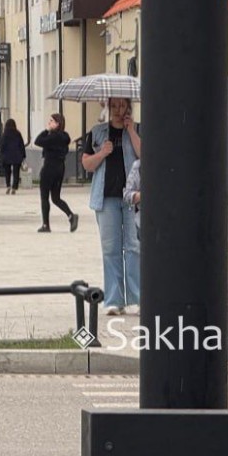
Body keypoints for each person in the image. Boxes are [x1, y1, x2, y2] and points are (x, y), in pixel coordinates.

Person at [81, 97, 141, 315]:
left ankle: (136, 297)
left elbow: (145, 155)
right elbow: (87, 164)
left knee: (133, 247)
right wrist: (102, 153)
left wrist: (132, 131)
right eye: (114, 106)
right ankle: (114, 299)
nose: (118, 110)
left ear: (128, 107)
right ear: (107, 107)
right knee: (110, 249)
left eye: (122, 105)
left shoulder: (137, 130)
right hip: (105, 197)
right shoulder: (97, 132)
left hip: (131, 198)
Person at [34, 113, 77, 233]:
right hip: (60, 168)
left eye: (51, 121)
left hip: (49, 167)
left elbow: (38, 141)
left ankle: (45, 225)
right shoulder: (65, 136)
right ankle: (71, 215)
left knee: (44, 196)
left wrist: (46, 131)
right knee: (56, 198)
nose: (49, 123)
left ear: (57, 124)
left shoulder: (52, 137)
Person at [0, 119, 26, 194]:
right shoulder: (17, 133)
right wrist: (23, 156)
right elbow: (21, 145)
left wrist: (1, 154)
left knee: (7, 172)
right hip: (17, 155)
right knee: (16, 172)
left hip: (7, 156)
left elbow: (2, 145)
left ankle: (8, 185)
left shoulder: (5, 134)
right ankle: (14, 187)